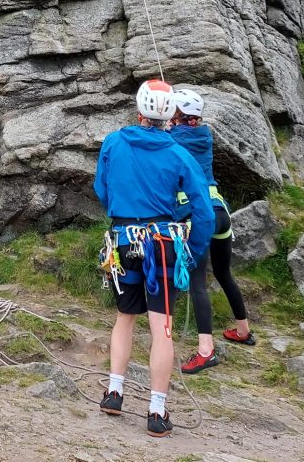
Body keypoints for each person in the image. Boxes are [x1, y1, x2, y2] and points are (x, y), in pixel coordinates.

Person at [94, 78, 215, 437]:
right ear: (169, 116)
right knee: (162, 328)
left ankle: (114, 393)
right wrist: (191, 252)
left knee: (124, 318)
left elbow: (102, 187)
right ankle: (156, 412)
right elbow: (203, 210)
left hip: (121, 242)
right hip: (162, 245)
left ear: (139, 110)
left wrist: (122, 210)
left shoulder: (115, 141)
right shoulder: (179, 154)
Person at [168, 88, 255, 375]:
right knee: (223, 272)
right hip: (221, 212)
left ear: (178, 115)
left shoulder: (173, 139)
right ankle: (243, 330)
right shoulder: (204, 135)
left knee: (197, 282)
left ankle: (206, 351)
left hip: (198, 216)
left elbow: (166, 143)